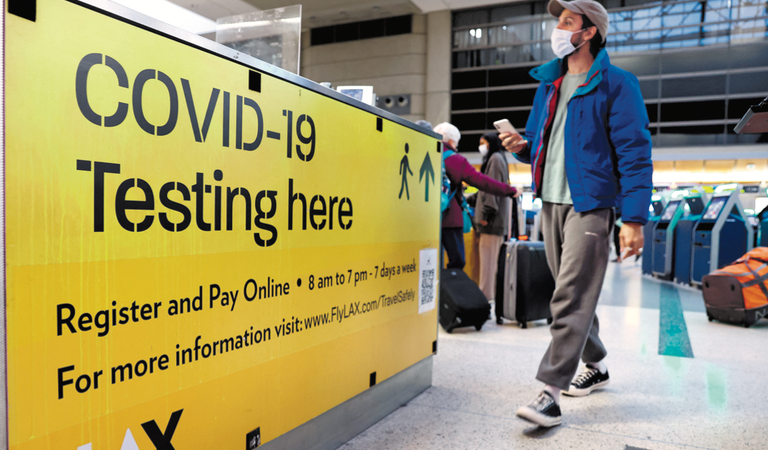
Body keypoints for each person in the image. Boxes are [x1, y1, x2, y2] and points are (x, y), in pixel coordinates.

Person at [500, 0, 652, 428]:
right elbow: (541, 143)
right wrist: (523, 147)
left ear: (589, 33)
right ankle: (597, 364)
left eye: (568, 22)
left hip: (591, 204)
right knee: (575, 293)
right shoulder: (549, 85)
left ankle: (549, 393)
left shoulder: (617, 84)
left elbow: (635, 154)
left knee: (568, 295)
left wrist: (633, 220)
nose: (558, 29)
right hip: (550, 201)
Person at [435, 122, 519, 270]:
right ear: (452, 141)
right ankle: (449, 284)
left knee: (430, 261)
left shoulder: (425, 155)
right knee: (457, 262)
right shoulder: (456, 160)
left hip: (426, 219)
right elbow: (483, 182)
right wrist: (510, 190)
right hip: (450, 219)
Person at [474, 132, 512, 304]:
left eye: (484, 143)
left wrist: (486, 216)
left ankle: (486, 300)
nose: (481, 147)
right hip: (494, 221)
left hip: (491, 222)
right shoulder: (498, 159)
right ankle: (489, 298)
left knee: (488, 265)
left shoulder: (495, 160)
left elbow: (491, 189)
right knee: (490, 264)